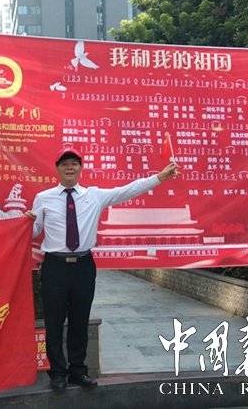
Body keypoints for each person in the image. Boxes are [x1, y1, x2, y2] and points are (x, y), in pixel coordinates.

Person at [25, 147, 179, 391]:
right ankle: (57, 373)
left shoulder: (94, 196)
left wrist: (159, 178)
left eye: (74, 163)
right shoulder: (43, 198)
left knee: (80, 320)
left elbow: (128, 190)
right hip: (55, 266)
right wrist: (28, 222)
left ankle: (78, 371)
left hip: (83, 266)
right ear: (57, 169)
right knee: (54, 322)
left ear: (80, 169)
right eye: (64, 163)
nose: (69, 167)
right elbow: (35, 231)